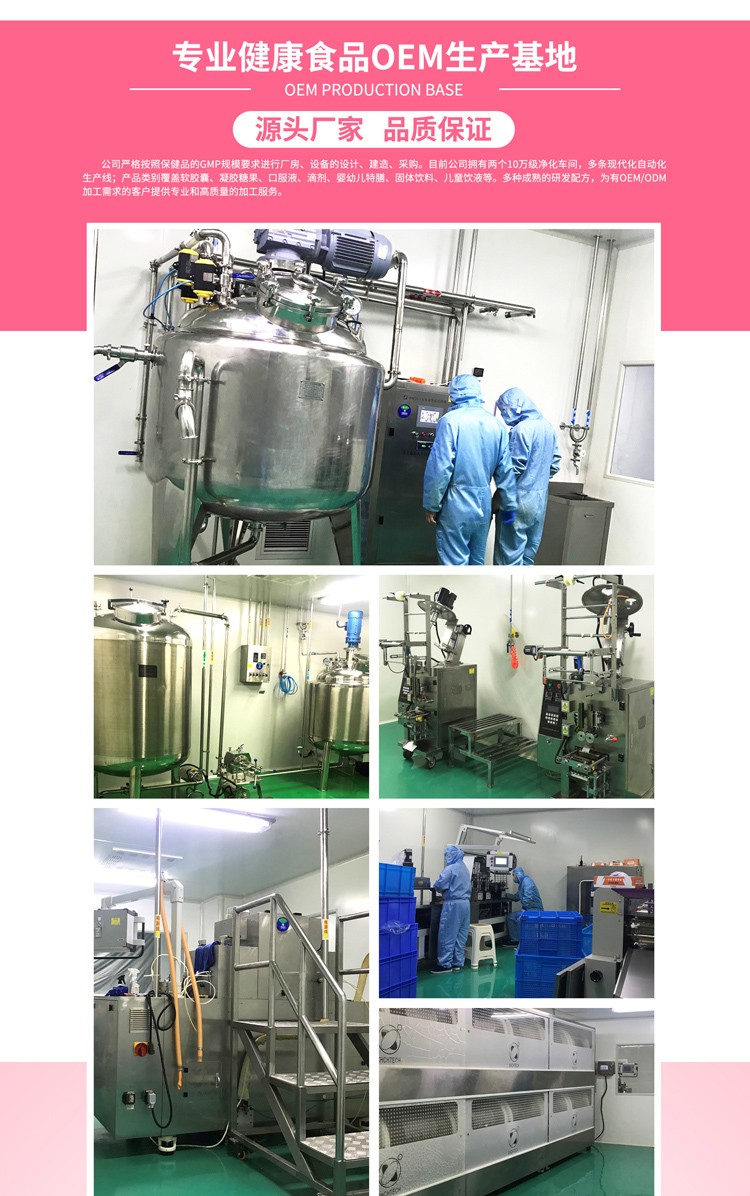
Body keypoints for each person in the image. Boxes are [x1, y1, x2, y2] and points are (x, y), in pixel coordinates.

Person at [423, 374, 517, 566]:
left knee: (453, 562)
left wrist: (431, 504)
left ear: (453, 394)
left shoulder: (450, 421)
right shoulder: (497, 425)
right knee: (476, 562)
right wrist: (508, 505)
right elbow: (506, 472)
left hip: (456, 503)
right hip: (484, 503)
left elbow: (440, 467)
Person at [493, 386, 561, 566]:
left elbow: (513, 469)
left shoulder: (520, 430)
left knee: (508, 558)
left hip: (516, 502)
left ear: (512, 407)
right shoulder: (547, 427)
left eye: (503, 410)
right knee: (528, 556)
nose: (503, 415)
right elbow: (555, 463)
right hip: (538, 502)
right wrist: (535, 479)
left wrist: (497, 497)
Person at [431, 844, 472, 973]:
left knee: (447, 934)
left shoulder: (450, 869)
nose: (447, 857)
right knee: (461, 935)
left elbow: (439, 885)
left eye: (447, 855)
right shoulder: (465, 868)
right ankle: (457, 962)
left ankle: (444, 964)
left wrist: (435, 885)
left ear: (452, 855)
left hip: (453, 905)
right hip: (465, 904)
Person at [506, 866, 544, 944]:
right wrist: (505, 895)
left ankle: (522, 942)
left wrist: (524, 908)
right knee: (510, 917)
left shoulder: (527, 882)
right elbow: (517, 897)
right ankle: (515, 940)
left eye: (513, 875)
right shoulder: (521, 884)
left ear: (517, 874)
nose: (513, 877)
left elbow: (528, 897)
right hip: (528, 908)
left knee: (520, 919)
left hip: (535, 909)